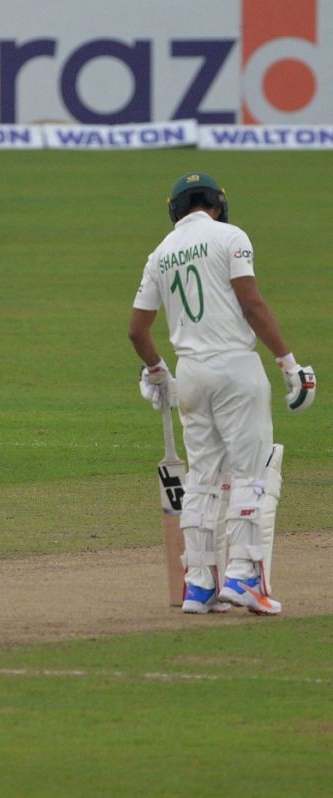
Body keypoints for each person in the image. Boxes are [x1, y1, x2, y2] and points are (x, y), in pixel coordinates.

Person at [129, 171, 316, 615]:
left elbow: (137, 329)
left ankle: (198, 586)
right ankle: (243, 577)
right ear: (217, 203)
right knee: (252, 473)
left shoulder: (160, 253)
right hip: (236, 367)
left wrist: (157, 371)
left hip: (190, 374)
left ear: (175, 209)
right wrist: (289, 363)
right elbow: (251, 303)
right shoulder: (230, 236)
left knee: (202, 479)